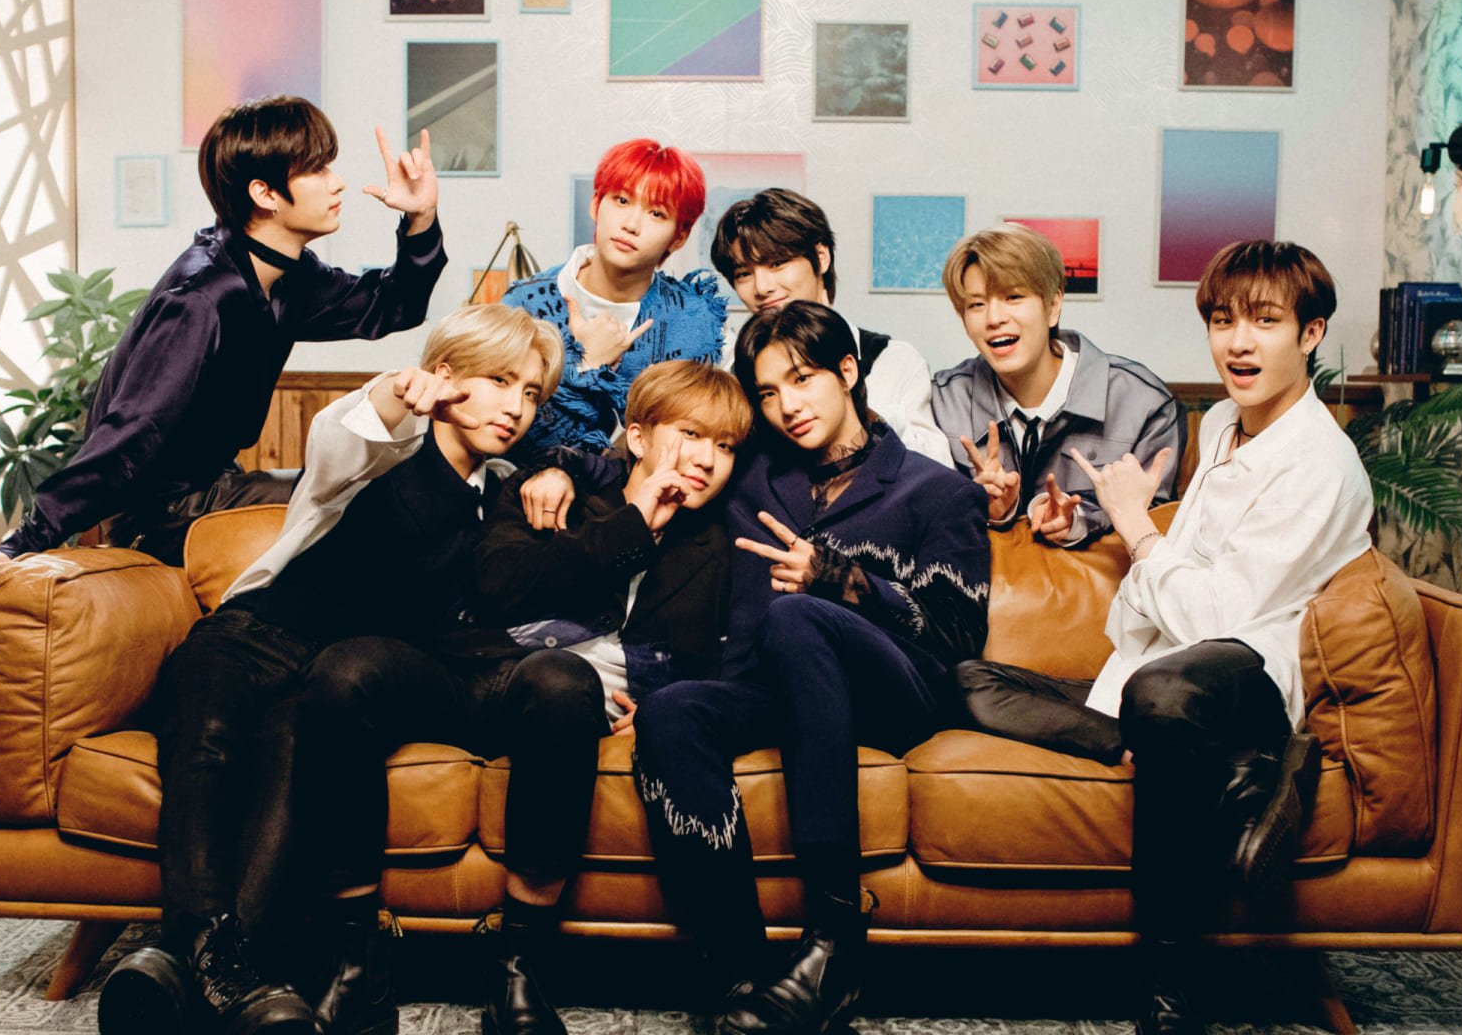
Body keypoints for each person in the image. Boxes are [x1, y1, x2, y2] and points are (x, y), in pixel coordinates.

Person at [95, 303, 562, 1035]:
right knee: (207, 740)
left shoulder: (499, 494)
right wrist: (392, 391)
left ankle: (190, 969)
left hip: (328, 676)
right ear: (444, 376)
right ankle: (215, 962)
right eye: (500, 381)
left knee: (292, 766)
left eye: (531, 392)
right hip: (253, 636)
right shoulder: (383, 446)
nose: (516, 406)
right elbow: (342, 435)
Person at [954, 241, 1371, 1035]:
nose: (1238, 343)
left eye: (1265, 322)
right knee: (972, 679)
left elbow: (1216, 618)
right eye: (1223, 321)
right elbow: (1170, 589)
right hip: (1168, 674)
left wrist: (1137, 527)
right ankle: (1235, 772)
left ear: (1311, 333)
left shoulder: (1321, 462)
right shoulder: (1224, 424)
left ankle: (1173, 981)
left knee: (1161, 689)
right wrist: (1124, 537)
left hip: (1240, 674)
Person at [627, 301, 990, 1033]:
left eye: (802, 379)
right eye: (767, 392)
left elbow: (957, 637)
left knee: (796, 615)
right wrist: (559, 472)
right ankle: (737, 971)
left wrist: (843, 580)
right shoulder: (751, 475)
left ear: (848, 371)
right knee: (671, 712)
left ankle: (833, 941)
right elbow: (641, 456)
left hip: (895, 694)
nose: (787, 406)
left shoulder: (939, 491)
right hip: (772, 687)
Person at [363, 360, 744, 1035]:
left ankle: (516, 964)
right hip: (499, 683)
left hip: (589, 710)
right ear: (637, 437)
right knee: (358, 671)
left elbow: (721, 659)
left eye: (726, 446)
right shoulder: (551, 494)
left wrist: (666, 711)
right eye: (690, 434)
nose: (707, 459)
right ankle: (347, 961)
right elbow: (501, 589)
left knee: (568, 687)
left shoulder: (721, 541)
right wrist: (632, 522)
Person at [0, 96, 444, 573]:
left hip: (216, 488)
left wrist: (420, 218)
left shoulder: (288, 277)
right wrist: (22, 542)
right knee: (369, 500)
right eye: (316, 169)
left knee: (388, 486)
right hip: (162, 516)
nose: (337, 182)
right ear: (265, 194)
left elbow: (393, 306)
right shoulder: (200, 298)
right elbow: (131, 432)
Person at [931, 224, 1184, 540]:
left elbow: (1157, 526)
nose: (994, 318)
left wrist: (1080, 519)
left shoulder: (1143, 403)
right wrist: (985, 509)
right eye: (976, 305)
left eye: (1013, 297)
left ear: (1053, 306)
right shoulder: (943, 402)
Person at [502, 138, 726, 462]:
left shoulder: (692, 321)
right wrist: (588, 364)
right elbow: (512, 439)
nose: (631, 225)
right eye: (621, 200)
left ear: (679, 236)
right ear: (596, 204)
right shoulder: (526, 304)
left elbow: (681, 447)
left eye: (656, 213)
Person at [709, 187, 953, 465]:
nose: (762, 287)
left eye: (777, 263)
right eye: (744, 274)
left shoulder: (892, 360)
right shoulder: (731, 374)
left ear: (821, 256)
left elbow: (936, 470)